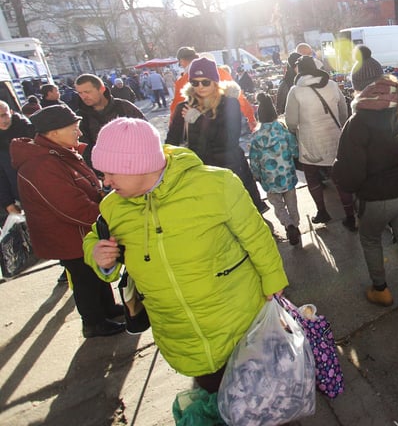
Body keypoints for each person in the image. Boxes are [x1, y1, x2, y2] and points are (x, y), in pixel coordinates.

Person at [84, 118, 288, 392]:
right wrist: (98, 256)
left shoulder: (217, 184)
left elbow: (257, 238)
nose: (105, 182)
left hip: (241, 325)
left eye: (110, 173)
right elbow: (95, 241)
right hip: (180, 336)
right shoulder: (112, 208)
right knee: (217, 401)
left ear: (137, 165)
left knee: (270, 400)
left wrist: (274, 287)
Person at [11, 105, 124, 338]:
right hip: (69, 235)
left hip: (80, 231)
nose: (79, 134)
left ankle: (108, 309)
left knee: (95, 270)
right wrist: (107, 216)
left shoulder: (58, 152)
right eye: (74, 129)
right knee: (84, 278)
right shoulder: (41, 164)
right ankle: (93, 322)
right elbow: (71, 206)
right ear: (53, 133)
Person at [332, 75, 398, 329]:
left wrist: (346, 186)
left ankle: (381, 290)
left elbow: (350, 170)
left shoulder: (357, 121)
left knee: (370, 239)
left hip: (375, 197)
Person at [165, 57, 269, 215]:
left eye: (205, 82)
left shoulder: (229, 104)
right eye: (195, 82)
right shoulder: (183, 107)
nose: (200, 86)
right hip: (200, 171)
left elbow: (229, 139)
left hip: (231, 168)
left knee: (243, 214)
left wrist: (199, 120)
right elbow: (171, 142)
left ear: (215, 81)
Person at [285, 56, 356, 229]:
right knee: (339, 178)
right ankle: (350, 216)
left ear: (300, 71)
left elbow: (291, 121)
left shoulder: (295, 91)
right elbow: (343, 109)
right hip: (334, 138)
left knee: (312, 177)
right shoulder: (331, 84)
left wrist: (295, 131)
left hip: (311, 141)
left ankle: (322, 212)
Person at [249, 93, 302, 246]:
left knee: (278, 206)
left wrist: (257, 175)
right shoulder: (283, 130)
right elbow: (294, 150)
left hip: (269, 179)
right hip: (288, 175)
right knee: (292, 203)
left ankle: (288, 225)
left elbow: (254, 161)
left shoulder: (256, 137)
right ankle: (296, 225)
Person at [169, 47, 257, 132]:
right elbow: (239, 98)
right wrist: (251, 119)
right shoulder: (221, 72)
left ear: (182, 61)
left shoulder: (183, 81)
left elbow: (177, 109)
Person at [75, 73, 146, 166]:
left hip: (136, 164)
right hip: (105, 171)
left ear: (101, 89)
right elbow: (84, 148)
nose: (84, 96)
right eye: (80, 93)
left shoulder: (123, 107)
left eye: (87, 92)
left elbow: (146, 133)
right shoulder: (80, 117)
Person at [0, 101, 35, 221]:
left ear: (10, 112)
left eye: (4, 115)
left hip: (45, 187)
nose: (2, 120)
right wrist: (8, 203)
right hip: (21, 196)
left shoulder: (28, 129)